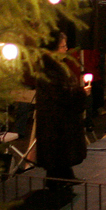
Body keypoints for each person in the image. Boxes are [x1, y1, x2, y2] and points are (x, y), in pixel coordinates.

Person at [35, 32, 91, 189]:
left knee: (61, 152)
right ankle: (57, 179)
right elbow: (61, 94)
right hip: (56, 119)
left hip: (59, 117)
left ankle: (64, 176)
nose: (66, 49)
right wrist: (81, 93)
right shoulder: (49, 69)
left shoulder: (56, 66)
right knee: (57, 150)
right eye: (62, 46)